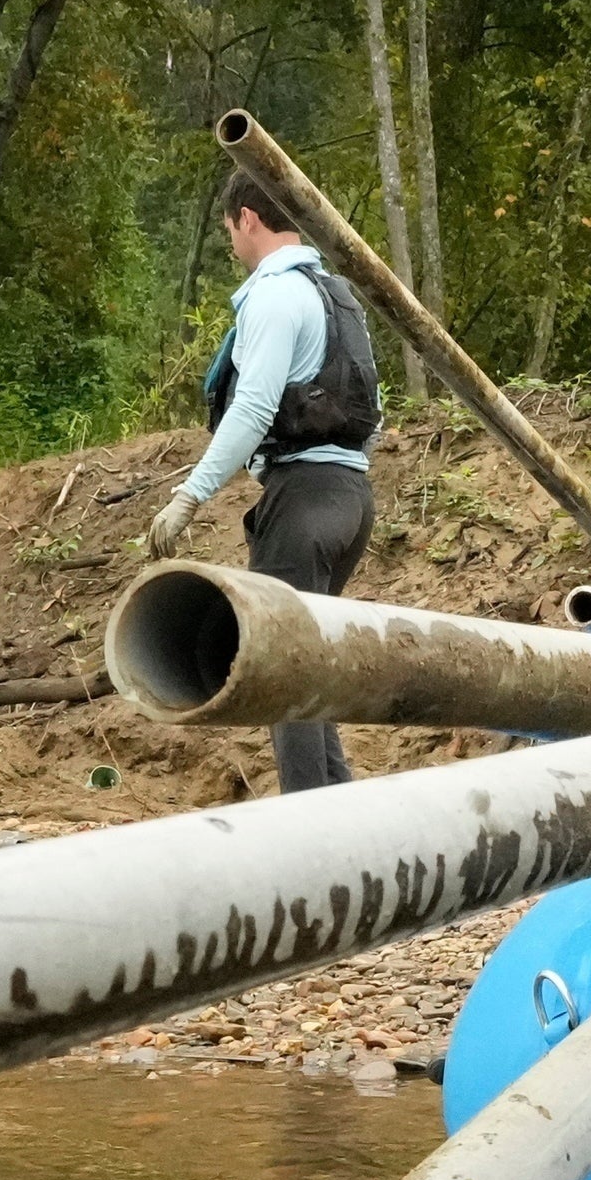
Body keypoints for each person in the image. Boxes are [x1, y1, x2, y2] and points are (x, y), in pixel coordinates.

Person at [150, 172, 383, 790]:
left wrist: (188, 497)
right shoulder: (335, 295)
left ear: (247, 218)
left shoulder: (275, 296)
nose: (231, 240)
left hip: (303, 503)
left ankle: (306, 828)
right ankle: (343, 819)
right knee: (310, 669)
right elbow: (370, 411)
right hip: (351, 498)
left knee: (283, 676)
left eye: (229, 227)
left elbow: (252, 410)